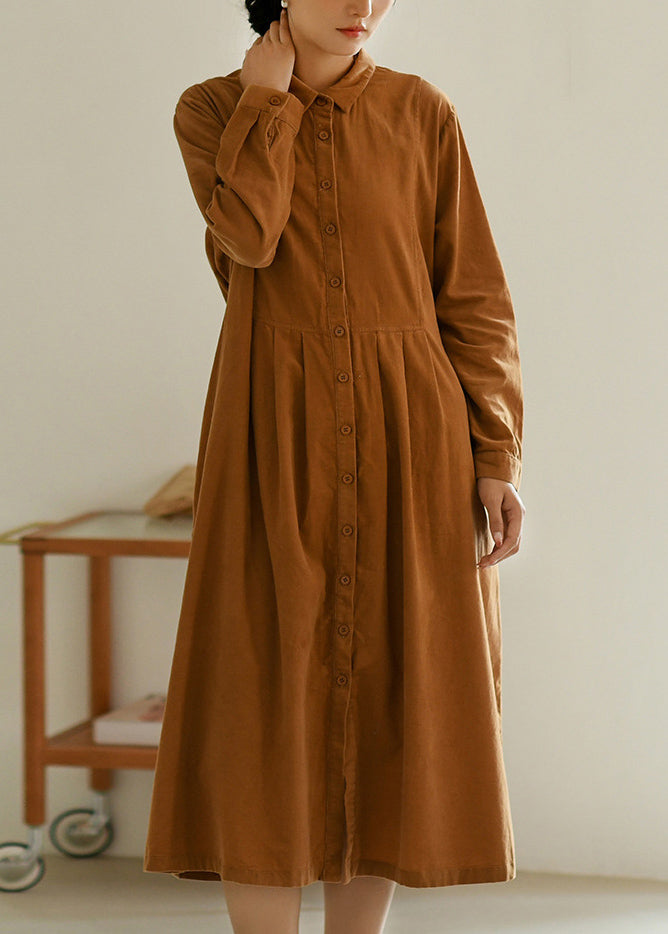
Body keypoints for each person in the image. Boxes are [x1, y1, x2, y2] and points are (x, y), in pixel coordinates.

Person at [143, 1, 526, 932]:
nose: (363, 6)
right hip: (271, 432)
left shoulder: (421, 111)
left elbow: (473, 290)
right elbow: (249, 239)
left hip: (413, 436)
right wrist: (266, 104)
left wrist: (496, 450)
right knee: (260, 693)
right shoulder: (211, 109)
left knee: (396, 690)